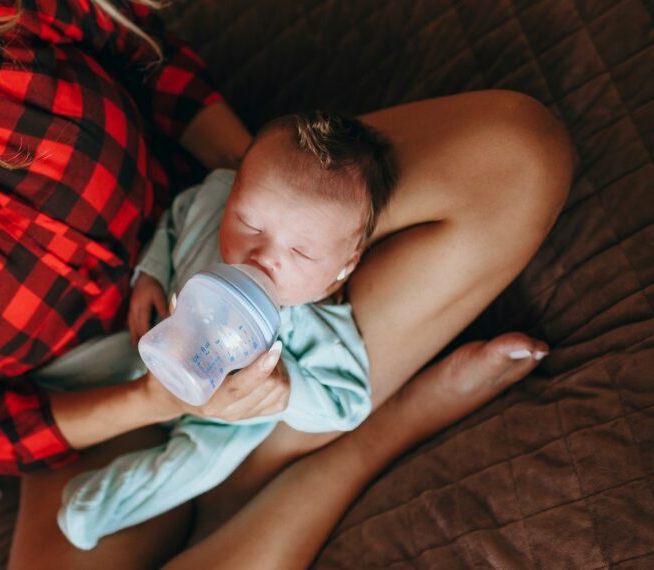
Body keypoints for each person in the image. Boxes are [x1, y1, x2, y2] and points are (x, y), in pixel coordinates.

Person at [0, 1, 573, 568]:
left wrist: (256, 203)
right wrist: (151, 399)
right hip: (98, 411)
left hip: (220, 227)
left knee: (516, 155)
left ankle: (252, 461)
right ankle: (355, 445)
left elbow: (139, 50)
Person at [53, 111, 397, 548]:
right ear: (233, 189)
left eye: (301, 253)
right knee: (93, 363)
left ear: (341, 270)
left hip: (228, 416)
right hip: (157, 343)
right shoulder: (212, 202)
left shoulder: (317, 321)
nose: (263, 255)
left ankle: (102, 503)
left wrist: (285, 387)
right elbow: (177, 216)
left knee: (202, 463)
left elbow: (349, 402)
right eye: (250, 223)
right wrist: (152, 273)